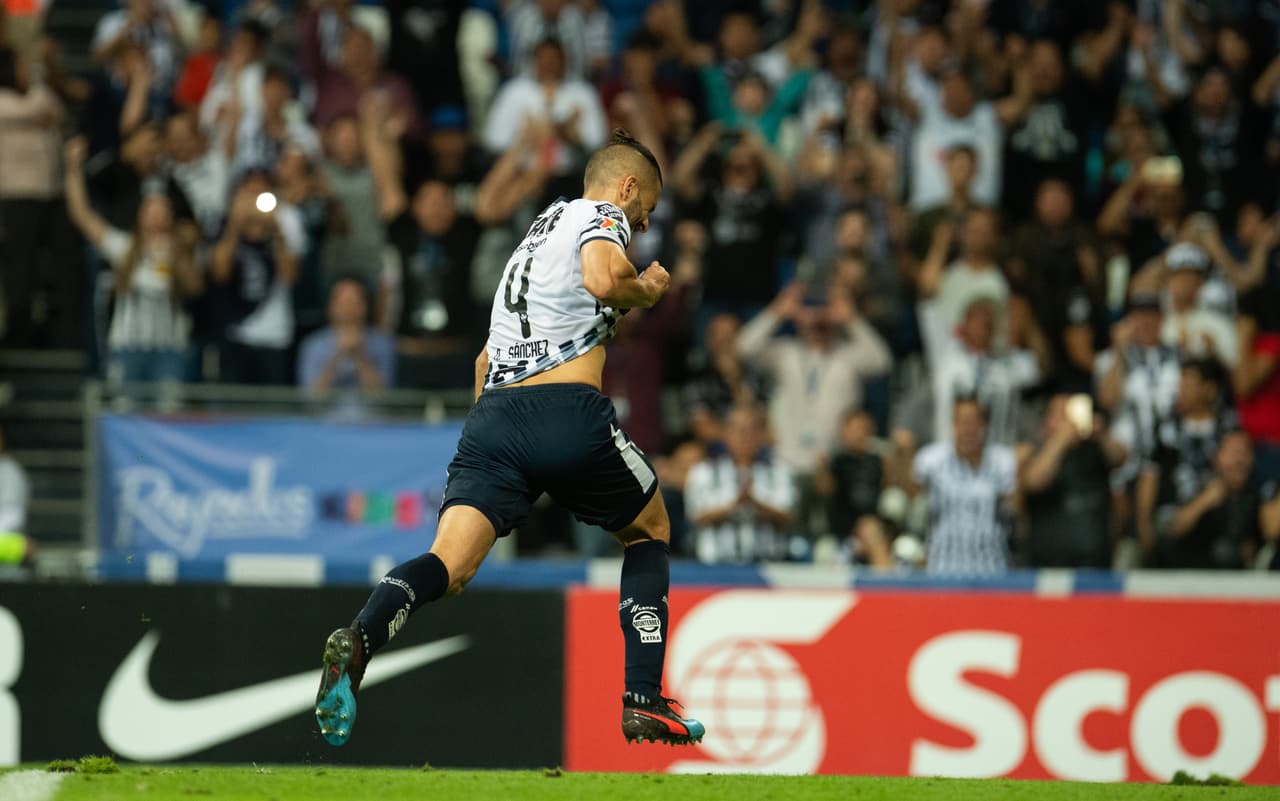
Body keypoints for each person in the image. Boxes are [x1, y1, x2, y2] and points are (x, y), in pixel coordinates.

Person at [314, 129, 703, 748]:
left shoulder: (532, 241)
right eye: (646, 209)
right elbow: (605, 280)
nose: (644, 222)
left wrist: (495, 452)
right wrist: (647, 290)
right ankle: (643, 698)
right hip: (565, 411)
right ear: (626, 188)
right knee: (649, 530)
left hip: (492, 420)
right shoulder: (600, 214)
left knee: (450, 563)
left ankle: (361, 635)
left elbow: (484, 358)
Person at [1018, 395, 1127, 568]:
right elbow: (1034, 481)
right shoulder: (1035, 449)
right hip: (1049, 561)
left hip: (1094, 559)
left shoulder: (1094, 447)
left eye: (1071, 414)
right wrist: (1061, 440)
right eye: (1061, 415)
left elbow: (1121, 458)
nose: (1068, 421)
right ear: (1047, 421)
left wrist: (1102, 434)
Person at [913, 396, 1017, 575]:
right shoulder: (931, 459)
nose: (968, 429)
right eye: (962, 422)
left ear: (985, 426)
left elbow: (1015, 512)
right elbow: (911, 496)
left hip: (992, 567)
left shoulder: (1003, 460)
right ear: (953, 425)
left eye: (974, 422)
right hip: (942, 567)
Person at [684, 405, 796, 564]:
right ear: (726, 434)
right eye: (738, 430)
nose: (745, 437)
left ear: (761, 435)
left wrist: (755, 503)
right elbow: (696, 516)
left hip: (768, 566)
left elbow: (788, 515)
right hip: (715, 568)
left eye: (751, 430)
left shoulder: (779, 471)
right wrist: (734, 505)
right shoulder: (704, 472)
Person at [297, 277, 396, 414]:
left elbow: (382, 398)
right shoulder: (313, 345)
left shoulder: (383, 343)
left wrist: (359, 355)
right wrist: (338, 354)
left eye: (354, 302)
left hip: (373, 424)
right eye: (343, 303)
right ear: (331, 307)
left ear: (364, 307)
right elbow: (312, 400)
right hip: (324, 425)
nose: (348, 309)